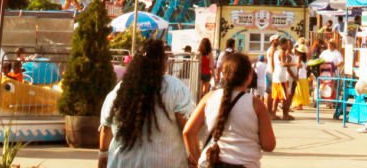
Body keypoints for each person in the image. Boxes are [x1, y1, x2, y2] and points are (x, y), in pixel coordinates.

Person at [98, 37, 194, 168]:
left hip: (123, 163)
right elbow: (187, 127)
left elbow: (106, 129)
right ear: (163, 62)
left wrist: (103, 157)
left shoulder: (120, 91)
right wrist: (193, 156)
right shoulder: (176, 88)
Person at [183, 51, 275, 168]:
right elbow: (269, 145)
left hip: (211, 162)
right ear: (249, 77)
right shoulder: (256, 104)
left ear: (224, 74)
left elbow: (188, 132)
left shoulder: (209, 98)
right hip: (246, 164)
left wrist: (197, 159)